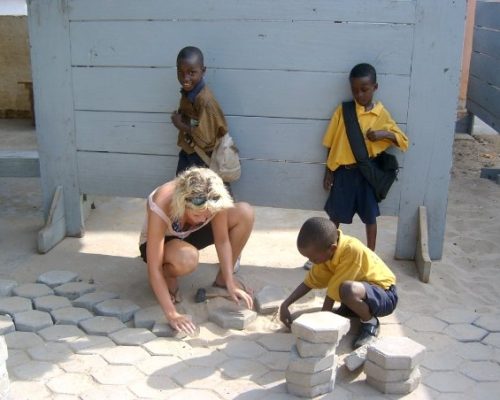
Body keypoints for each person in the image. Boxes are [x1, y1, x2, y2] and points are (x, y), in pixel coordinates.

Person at [139, 167, 254, 334]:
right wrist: (172, 314)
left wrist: (230, 281)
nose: (204, 219)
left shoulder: (214, 197)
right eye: (198, 215)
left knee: (245, 212)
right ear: (183, 202)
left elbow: (222, 241)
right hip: (161, 242)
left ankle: (222, 281)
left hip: (190, 236)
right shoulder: (162, 201)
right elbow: (153, 267)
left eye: (208, 215)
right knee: (187, 258)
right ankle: (169, 274)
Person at [321, 63, 409, 253]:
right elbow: (330, 143)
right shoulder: (343, 111)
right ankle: (326, 253)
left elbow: (403, 141)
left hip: (366, 175)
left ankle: (371, 255)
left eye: (364, 90)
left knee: (370, 217)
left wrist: (382, 134)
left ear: (375, 87)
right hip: (343, 173)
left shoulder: (381, 114)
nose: (359, 95)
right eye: (355, 91)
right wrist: (328, 171)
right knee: (334, 216)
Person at [281, 217, 398, 349]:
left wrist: (320, 324)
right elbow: (310, 282)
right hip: (364, 292)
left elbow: (333, 292)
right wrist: (285, 304)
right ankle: (353, 309)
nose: (311, 261)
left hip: (385, 295)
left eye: (313, 258)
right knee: (344, 292)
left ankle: (370, 322)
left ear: (332, 248)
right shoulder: (325, 253)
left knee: (347, 290)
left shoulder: (351, 250)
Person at [171, 46, 228, 175]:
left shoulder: (205, 101)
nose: (185, 78)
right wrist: (184, 119)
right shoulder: (189, 92)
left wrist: (181, 125)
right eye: (181, 72)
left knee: (197, 190)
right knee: (181, 184)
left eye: (192, 73)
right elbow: (198, 122)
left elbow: (207, 136)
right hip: (189, 149)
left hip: (202, 155)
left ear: (203, 71)